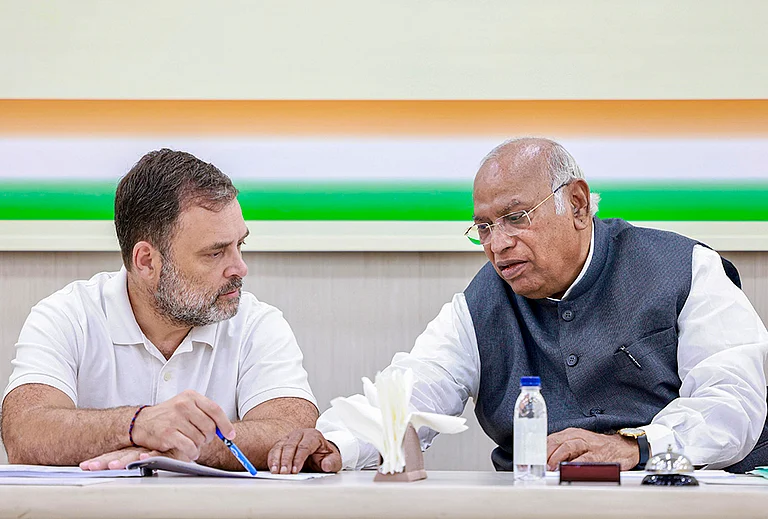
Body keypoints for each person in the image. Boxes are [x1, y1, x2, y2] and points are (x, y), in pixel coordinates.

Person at [267, 137, 768, 475]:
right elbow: (410, 391)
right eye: (483, 227)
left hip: (684, 497)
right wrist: (333, 444)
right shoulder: (480, 303)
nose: (497, 243)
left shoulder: (686, 268)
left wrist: (636, 446)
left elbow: (732, 405)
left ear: (575, 205)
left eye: (514, 218)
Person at [1, 149, 318, 471]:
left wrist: (177, 447)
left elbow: (293, 433)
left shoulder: (257, 323)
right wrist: (138, 423)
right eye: (215, 253)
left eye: (240, 245)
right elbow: (25, 432)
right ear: (147, 261)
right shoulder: (67, 315)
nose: (240, 267)